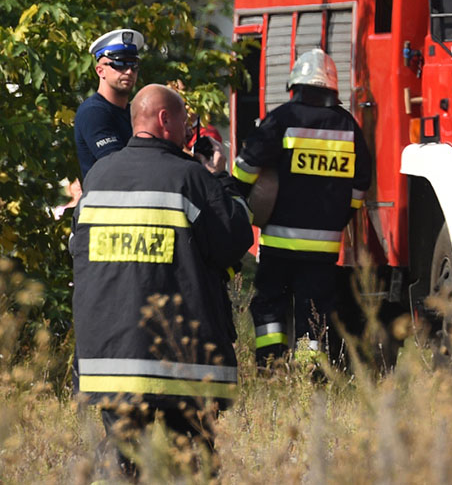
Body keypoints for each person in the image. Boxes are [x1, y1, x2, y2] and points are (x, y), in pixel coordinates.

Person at [70, 84, 253, 480]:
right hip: (178, 362)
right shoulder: (190, 178)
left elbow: (77, 252)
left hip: (109, 361)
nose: (189, 129)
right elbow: (233, 241)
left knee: (120, 467)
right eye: (185, 120)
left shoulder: (98, 178)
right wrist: (220, 179)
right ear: (163, 119)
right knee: (189, 468)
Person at [231, 48, 371, 369]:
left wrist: (241, 199)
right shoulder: (349, 127)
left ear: (295, 86)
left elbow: (246, 167)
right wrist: (339, 218)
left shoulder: (282, 119)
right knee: (313, 313)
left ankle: (271, 366)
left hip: (279, 243)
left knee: (269, 306)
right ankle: (307, 371)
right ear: (332, 89)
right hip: (323, 248)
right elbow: (361, 185)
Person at [74, 28, 145, 179]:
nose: (129, 72)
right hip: (104, 201)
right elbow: (119, 166)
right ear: (100, 71)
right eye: (119, 64)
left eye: (134, 65)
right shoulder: (93, 112)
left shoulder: (133, 112)